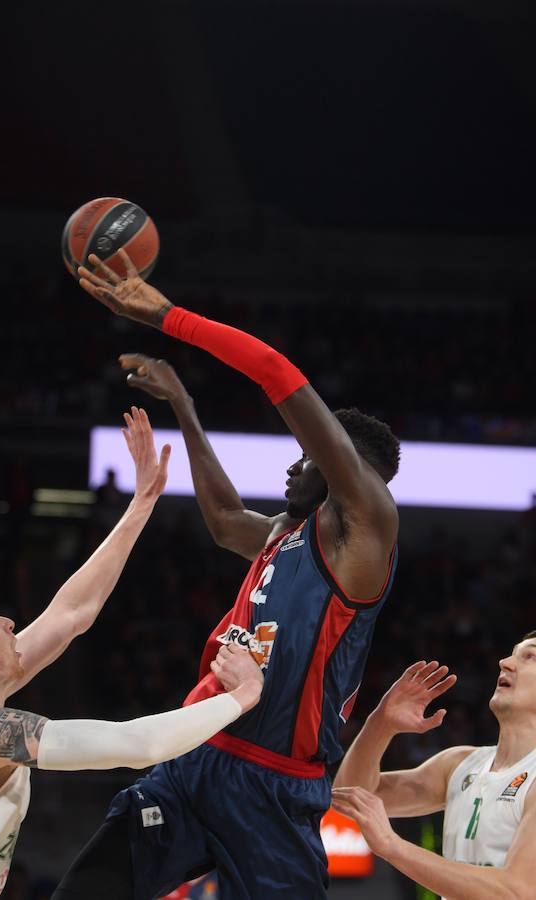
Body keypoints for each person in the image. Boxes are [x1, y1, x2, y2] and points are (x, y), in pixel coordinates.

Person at [57, 251, 401, 899]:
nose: (292, 468)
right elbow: (220, 519)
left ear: (339, 463)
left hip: (273, 784)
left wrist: (166, 316)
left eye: (305, 457)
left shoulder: (366, 525)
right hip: (199, 754)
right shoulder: (283, 534)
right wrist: (184, 405)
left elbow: (276, 372)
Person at [0, 407, 263, 900]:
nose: (8, 621)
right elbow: (138, 746)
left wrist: (141, 504)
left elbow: (71, 614)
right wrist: (241, 696)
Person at [331, 642, 536, 900]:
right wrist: (381, 724)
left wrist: (392, 846)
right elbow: (351, 796)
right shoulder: (460, 764)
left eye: (530, 657)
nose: (505, 662)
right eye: (512, 653)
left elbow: (518, 892)